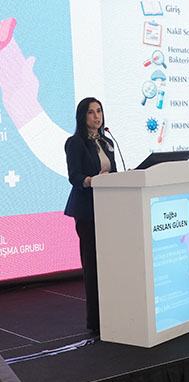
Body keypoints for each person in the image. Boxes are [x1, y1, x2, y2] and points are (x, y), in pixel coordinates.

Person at [64, 97, 117, 332]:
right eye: (91, 112)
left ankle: (113, 314)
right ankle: (95, 321)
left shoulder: (106, 142)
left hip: (109, 210)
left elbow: (113, 174)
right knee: (93, 264)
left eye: (99, 111)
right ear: (82, 116)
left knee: (110, 264)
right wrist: (93, 180)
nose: (97, 116)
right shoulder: (75, 143)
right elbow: (74, 176)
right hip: (87, 211)